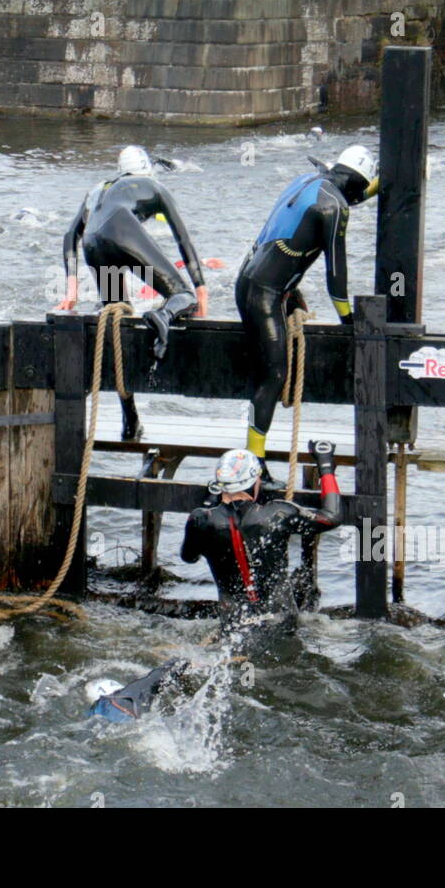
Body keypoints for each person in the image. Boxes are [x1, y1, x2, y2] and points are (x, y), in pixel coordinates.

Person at [235, 145, 378, 458]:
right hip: (266, 295)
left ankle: (253, 455)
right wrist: (347, 320)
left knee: (265, 375)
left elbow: (348, 196)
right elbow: (336, 275)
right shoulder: (335, 208)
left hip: (247, 281)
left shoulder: (309, 182)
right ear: (359, 182)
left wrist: (384, 182)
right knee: (273, 377)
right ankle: (254, 462)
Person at [59, 145, 207, 438]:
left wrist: (71, 290)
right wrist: (200, 288)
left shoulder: (98, 188)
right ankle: (162, 316)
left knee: (118, 324)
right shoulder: (155, 186)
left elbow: (70, 235)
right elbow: (183, 239)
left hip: (94, 245)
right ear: (147, 168)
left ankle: (130, 422)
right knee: (182, 297)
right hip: (122, 231)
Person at [181, 444, 346, 654]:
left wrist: (210, 501)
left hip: (234, 622)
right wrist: (325, 465)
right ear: (255, 482)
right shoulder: (278, 513)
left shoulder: (200, 520)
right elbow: (332, 517)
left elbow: (189, 557)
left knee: (233, 652)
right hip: (281, 621)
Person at [87, 659, 190, 722]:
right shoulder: (127, 694)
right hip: (129, 715)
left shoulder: (94, 712)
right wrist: (184, 661)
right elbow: (156, 676)